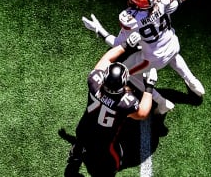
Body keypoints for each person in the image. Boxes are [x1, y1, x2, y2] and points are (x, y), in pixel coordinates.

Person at [82, 0, 205, 107]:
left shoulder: (130, 19)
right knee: (172, 54)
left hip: (154, 58)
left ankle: (161, 102)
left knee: (126, 73)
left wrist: (99, 30)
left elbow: (117, 45)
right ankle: (192, 81)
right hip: (173, 44)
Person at [62, 32, 159, 177]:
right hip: (104, 144)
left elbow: (106, 59)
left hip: (84, 128)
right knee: (110, 165)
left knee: (81, 139)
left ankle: (76, 153)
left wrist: (125, 45)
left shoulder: (94, 82)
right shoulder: (125, 103)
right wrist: (149, 86)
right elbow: (143, 113)